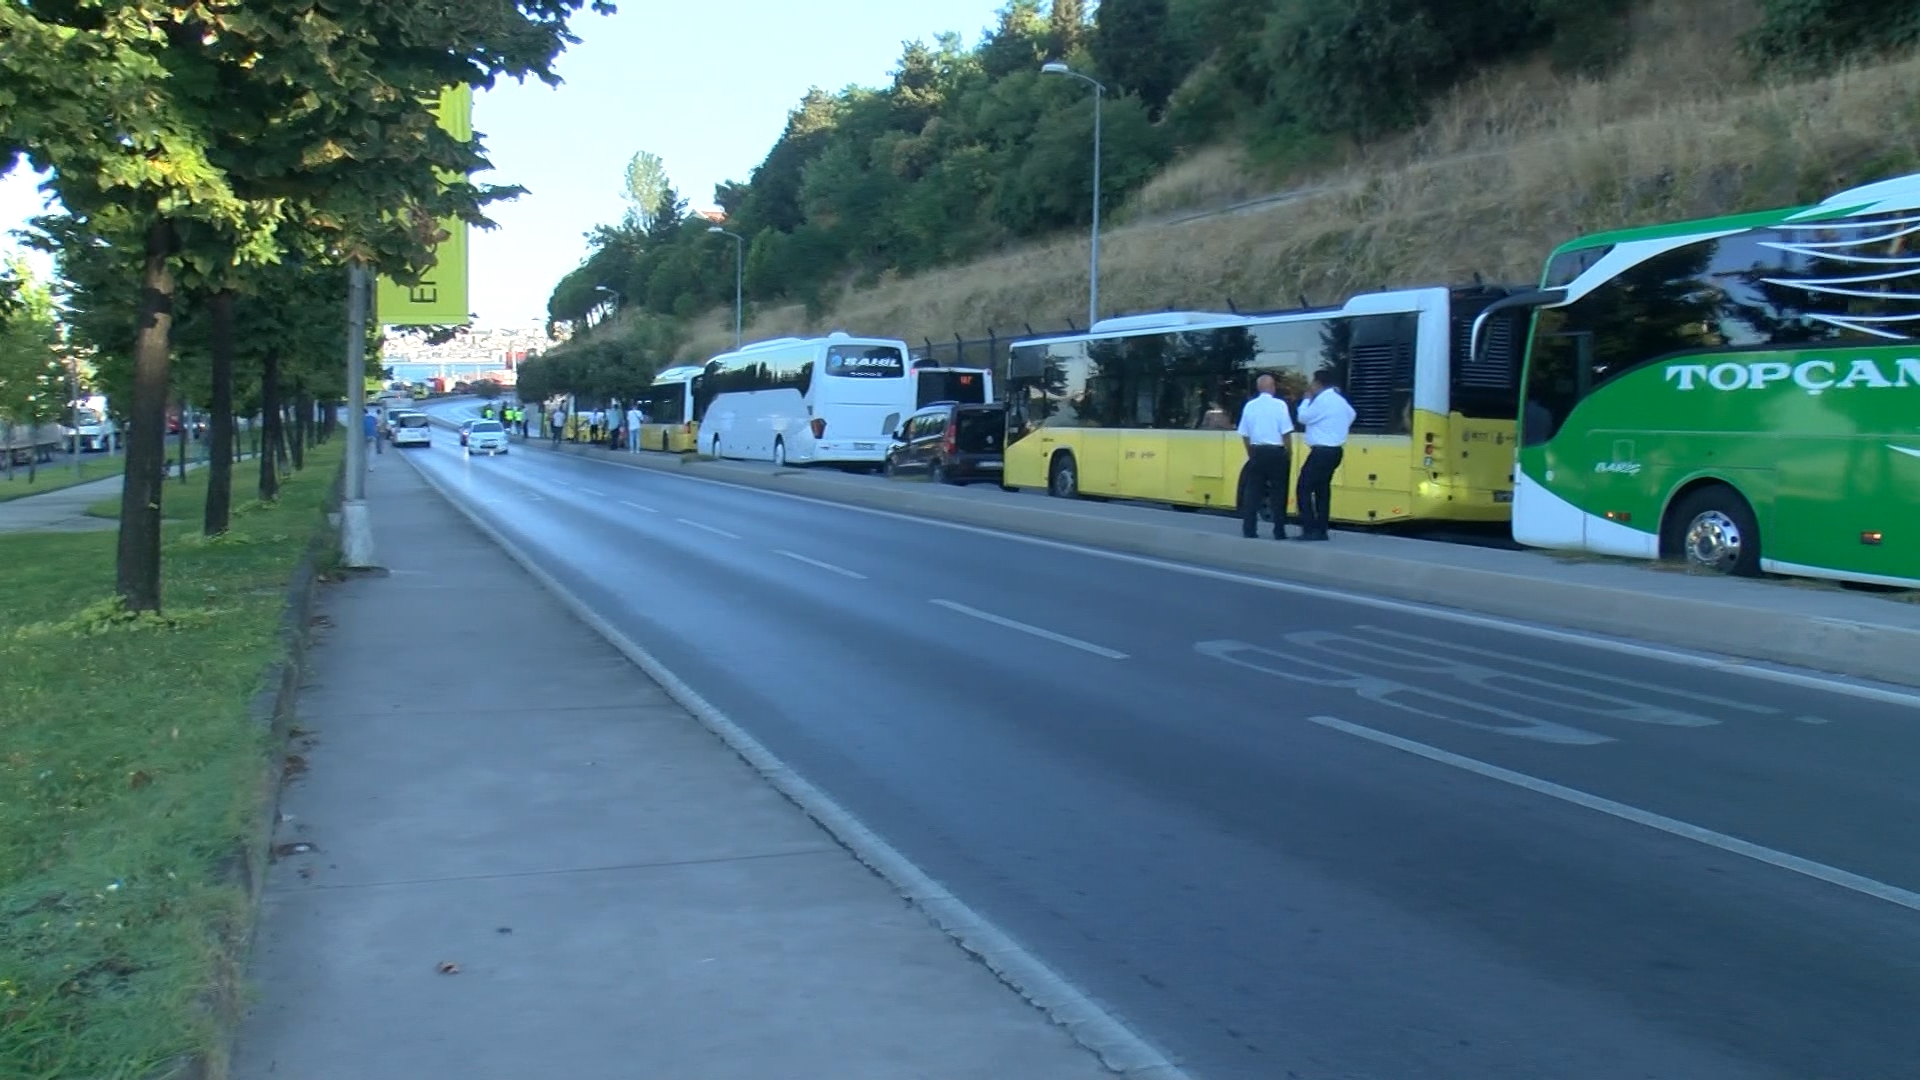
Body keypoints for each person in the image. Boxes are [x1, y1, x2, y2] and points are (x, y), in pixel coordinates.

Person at [1294, 370, 1356, 541]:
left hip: (1321, 451)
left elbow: (1303, 417)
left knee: (1303, 488)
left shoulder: (1321, 400)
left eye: (1313, 383)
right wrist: (1337, 428)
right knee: (1322, 490)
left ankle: (1309, 529)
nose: (1311, 386)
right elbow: (1352, 414)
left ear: (1318, 384)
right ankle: (1322, 530)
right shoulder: (1339, 400)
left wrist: (1306, 400)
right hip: (1336, 450)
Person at [1236, 373, 1294, 540]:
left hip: (1257, 451)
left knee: (1252, 491)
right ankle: (1279, 531)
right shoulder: (1280, 405)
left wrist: (1251, 452)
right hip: (1276, 452)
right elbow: (1286, 432)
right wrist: (1288, 452)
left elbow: (1244, 434)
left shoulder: (1250, 406)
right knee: (1279, 492)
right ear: (1272, 386)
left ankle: (1249, 530)